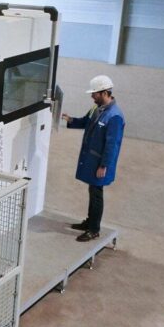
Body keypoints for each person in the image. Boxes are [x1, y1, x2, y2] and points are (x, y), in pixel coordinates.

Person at [60, 75, 124, 242]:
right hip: (92, 160)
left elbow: (113, 145)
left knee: (96, 194)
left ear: (104, 93)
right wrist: (70, 120)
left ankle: (94, 229)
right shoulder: (96, 109)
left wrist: (104, 166)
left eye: (94, 94)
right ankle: (90, 222)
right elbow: (85, 122)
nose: (92, 96)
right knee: (92, 191)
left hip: (100, 163)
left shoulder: (115, 116)